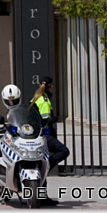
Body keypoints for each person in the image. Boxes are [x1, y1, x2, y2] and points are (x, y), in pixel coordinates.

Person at [30, 76, 70, 206]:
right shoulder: (44, 100)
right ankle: (46, 167)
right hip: (44, 135)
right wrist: (52, 119)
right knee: (64, 151)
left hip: (36, 135)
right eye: (52, 85)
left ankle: (42, 196)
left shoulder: (36, 98)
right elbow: (45, 120)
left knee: (42, 166)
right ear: (50, 86)